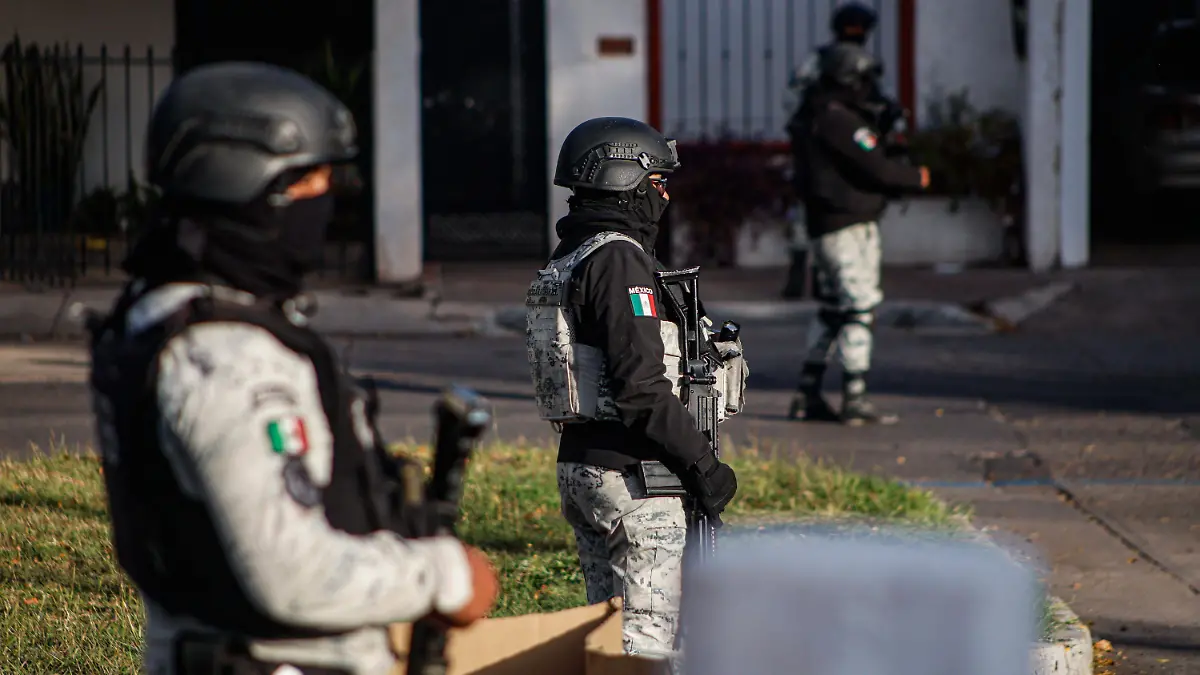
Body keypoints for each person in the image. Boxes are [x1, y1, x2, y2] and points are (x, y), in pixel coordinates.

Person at [85, 61, 498, 675]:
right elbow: (293, 575)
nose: (330, 197)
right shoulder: (227, 357)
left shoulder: (161, 316)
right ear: (247, 186)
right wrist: (445, 576)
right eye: (311, 180)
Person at [526, 117, 740, 660]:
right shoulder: (619, 260)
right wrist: (703, 466)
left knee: (608, 644)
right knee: (647, 648)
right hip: (635, 478)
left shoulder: (571, 254)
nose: (663, 196)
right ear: (624, 177)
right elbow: (641, 387)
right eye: (657, 181)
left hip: (584, 466)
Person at [786, 44, 931, 426]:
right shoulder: (838, 119)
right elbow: (875, 167)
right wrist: (915, 177)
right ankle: (855, 397)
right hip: (847, 226)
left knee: (833, 308)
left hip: (828, 226)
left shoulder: (816, 114)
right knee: (859, 308)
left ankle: (807, 393)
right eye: (863, 79)